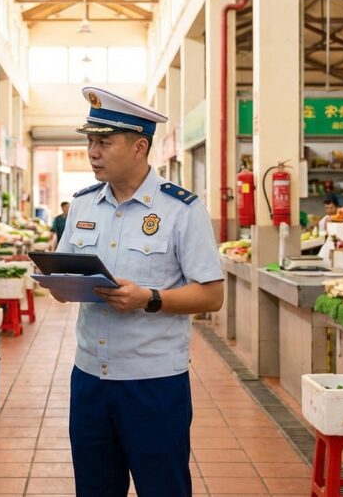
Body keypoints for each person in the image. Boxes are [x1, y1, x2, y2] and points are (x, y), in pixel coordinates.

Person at [54, 87, 224, 497]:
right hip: (90, 380)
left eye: (104, 142)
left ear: (139, 146)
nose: (92, 152)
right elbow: (62, 272)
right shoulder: (82, 205)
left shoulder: (181, 210)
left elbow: (212, 295)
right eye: (90, 141)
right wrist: (56, 283)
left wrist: (150, 298)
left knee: (162, 488)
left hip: (154, 385)